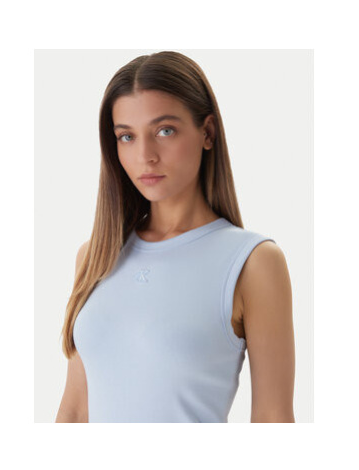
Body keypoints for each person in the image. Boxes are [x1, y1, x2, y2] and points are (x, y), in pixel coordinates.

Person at [55, 51, 295, 423]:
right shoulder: (95, 257)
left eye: (164, 131)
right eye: (126, 136)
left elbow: (273, 418)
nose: (145, 155)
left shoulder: (252, 262)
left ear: (207, 133)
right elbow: (74, 410)